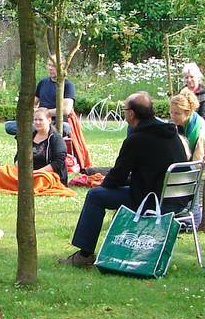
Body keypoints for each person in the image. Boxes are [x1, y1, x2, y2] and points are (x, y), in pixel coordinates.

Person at [59, 91, 190, 268]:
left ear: (131, 113)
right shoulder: (171, 133)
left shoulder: (137, 139)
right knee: (105, 192)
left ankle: (85, 255)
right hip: (179, 198)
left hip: (153, 200)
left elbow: (117, 177)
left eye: (124, 109)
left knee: (96, 196)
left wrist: (104, 184)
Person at [5, 56, 73, 136]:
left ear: (62, 67)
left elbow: (66, 110)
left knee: (65, 128)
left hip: (56, 123)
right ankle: (40, 129)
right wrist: (32, 109)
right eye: (49, 65)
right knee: (9, 126)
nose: (50, 68)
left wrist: (45, 113)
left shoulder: (68, 85)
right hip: (38, 121)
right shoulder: (43, 83)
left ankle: (40, 130)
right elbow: (33, 103)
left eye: (53, 66)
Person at [31, 108, 68, 185]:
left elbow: (58, 163)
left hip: (48, 175)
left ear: (49, 120)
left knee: (40, 179)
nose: (37, 122)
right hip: (29, 174)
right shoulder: (29, 137)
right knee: (1, 171)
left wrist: (37, 172)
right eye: (35, 120)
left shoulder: (56, 138)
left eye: (41, 120)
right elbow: (19, 156)